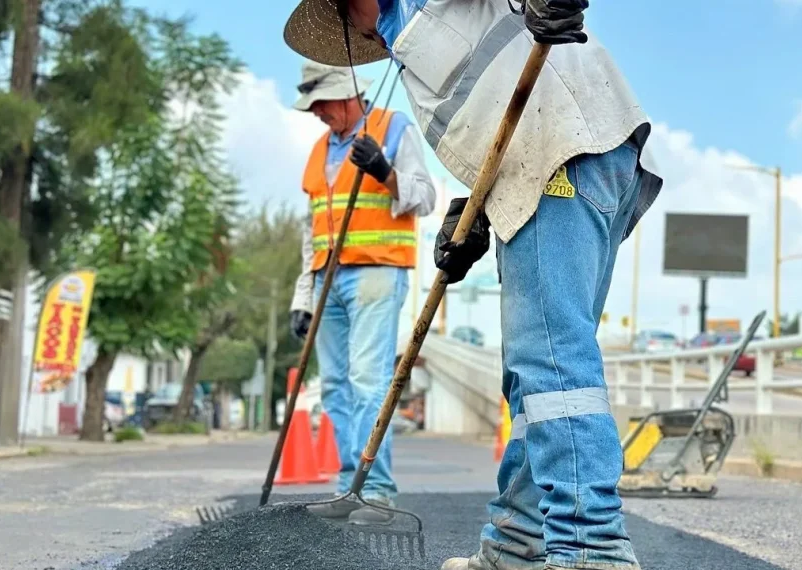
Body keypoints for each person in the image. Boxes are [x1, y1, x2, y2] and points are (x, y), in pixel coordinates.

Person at [283, 1, 663, 569]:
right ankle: (518, 545)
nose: (359, 38)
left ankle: (591, 548)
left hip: (564, 152)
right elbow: (491, 121)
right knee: (536, 378)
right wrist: (473, 216)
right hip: (557, 163)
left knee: (552, 364)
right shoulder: (407, 47)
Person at [287, 60, 437, 525]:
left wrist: (383, 170)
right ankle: (347, 483)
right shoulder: (318, 151)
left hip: (376, 273)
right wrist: (302, 295)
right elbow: (312, 231)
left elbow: (426, 197)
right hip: (326, 278)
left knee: (367, 381)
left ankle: (375, 490)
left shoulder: (392, 128)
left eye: (322, 103)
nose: (316, 113)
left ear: (347, 94)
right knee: (333, 385)